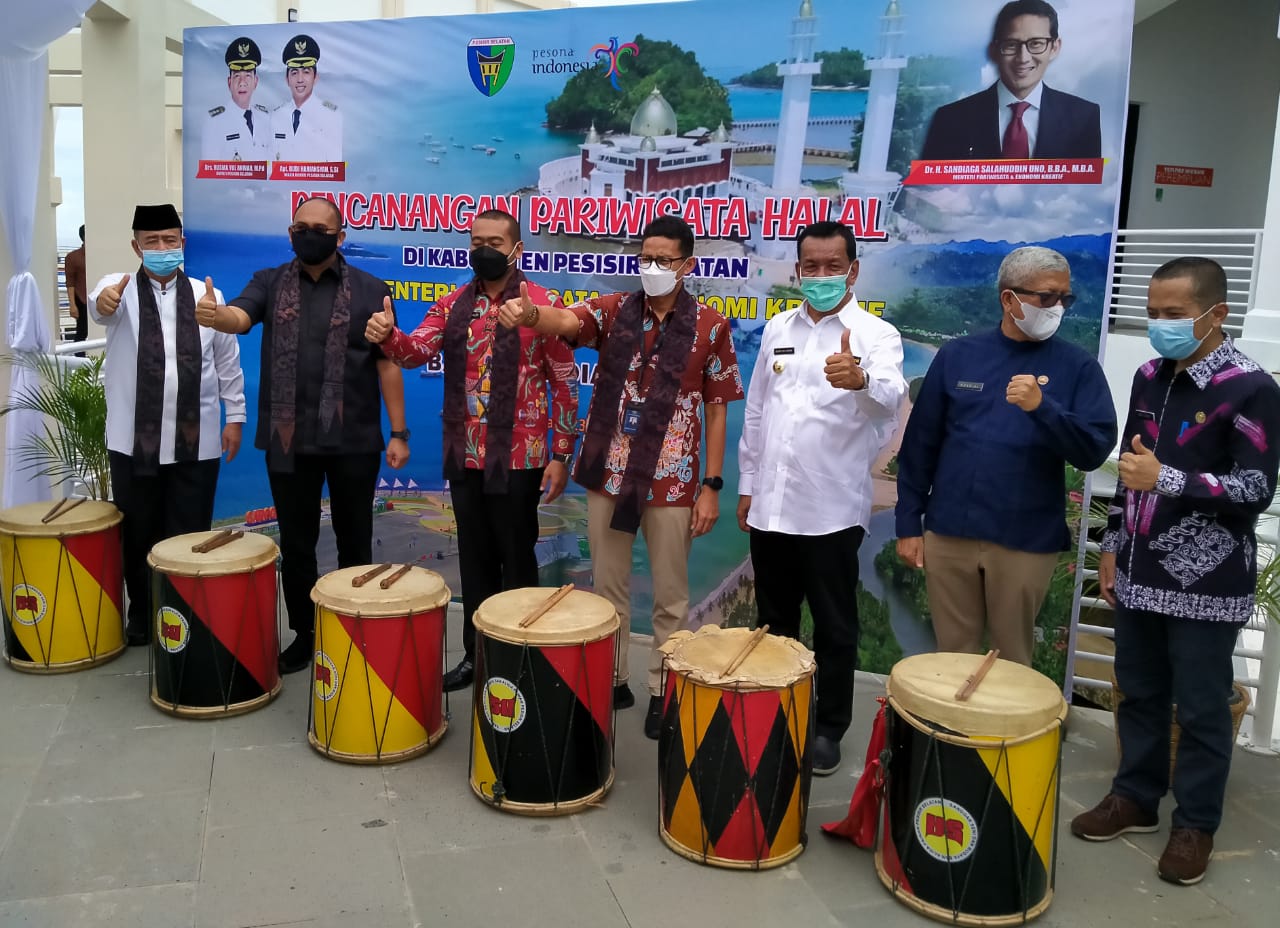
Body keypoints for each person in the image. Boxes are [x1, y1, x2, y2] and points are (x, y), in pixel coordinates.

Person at [1071, 257, 1280, 886]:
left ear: (1216, 314)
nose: (1160, 325)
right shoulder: (1147, 375)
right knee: (1138, 690)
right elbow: (1130, 468)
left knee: (1202, 708)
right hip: (1138, 570)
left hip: (1206, 583)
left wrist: (1170, 478)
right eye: (1152, 313)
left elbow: (1255, 488)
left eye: (1174, 314)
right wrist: (1111, 544)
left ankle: (1195, 825)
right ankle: (1134, 797)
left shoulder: (1251, 388)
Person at [497, 215, 743, 738]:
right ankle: (613, 678)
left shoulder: (711, 326)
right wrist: (532, 314)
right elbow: (567, 322)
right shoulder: (614, 311)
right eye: (645, 257)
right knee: (607, 587)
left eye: (663, 260)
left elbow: (717, 410)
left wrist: (712, 486)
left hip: (671, 481)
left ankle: (663, 688)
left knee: (671, 595)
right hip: (607, 473)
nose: (651, 267)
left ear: (687, 265)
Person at [364, 209, 579, 692]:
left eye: (494, 242)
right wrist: (389, 336)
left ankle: (519, 657)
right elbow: (416, 351)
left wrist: (561, 454)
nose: (484, 249)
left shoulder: (543, 304)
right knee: (475, 559)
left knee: (516, 558)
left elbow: (565, 384)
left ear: (516, 249)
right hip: (465, 454)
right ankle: (475, 656)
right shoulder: (451, 305)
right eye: (476, 241)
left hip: (521, 458)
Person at [195, 196, 408, 674]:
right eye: (301, 227)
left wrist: (399, 432)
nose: (309, 234)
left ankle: (354, 630)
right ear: (291, 232)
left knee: (356, 540)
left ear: (340, 236)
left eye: (320, 229)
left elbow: (388, 364)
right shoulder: (270, 282)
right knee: (296, 544)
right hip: (288, 438)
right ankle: (305, 634)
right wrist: (216, 316)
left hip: (354, 440)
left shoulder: (372, 289)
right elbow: (240, 317)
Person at [737, 221, 906, 775]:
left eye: (834, 266)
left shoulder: (876, 335)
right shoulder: (777, 328)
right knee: (773, 618)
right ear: (797, 270)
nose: (822, 275)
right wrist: (747, 485)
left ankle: (829, 727)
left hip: (831, 509)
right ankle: (776, 708)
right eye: (811, 266)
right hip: (772, 506)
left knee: (835, 626)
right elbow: (757, 412)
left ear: (853, 271)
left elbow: (891, 400)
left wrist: (861, 380)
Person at [894, 246, 1116, 665]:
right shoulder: (958, 355)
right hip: (950, 532)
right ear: (1009, 299)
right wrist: (908, 522)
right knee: (953, 655)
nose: (1058, 307)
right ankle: (953, 711)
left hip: (1025, 541)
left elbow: (1093, 450)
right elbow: (921, 444)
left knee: (1012, 660)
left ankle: (1012, 713)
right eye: (1046, 297)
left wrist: (1044, 408)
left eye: (1065, 298)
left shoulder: (1078, 366)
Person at [88, 204, 246, 646]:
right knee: (138, 529)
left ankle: (184, 612)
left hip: (198, 441)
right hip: (133, 441)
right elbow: (100, 306)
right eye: (152, 241)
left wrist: (235, 417)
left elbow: (227, 363)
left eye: (169, 240)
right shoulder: (118, 291)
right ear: (136, 246)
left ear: (182, 243)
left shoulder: (206, 295)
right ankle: (142, 613)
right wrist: (103, 301)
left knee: (189, 529)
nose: (162, 248)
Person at [920, 0, 1101, 160]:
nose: (1023, 58)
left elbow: (1089, 185)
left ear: (1054, 48)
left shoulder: (1084, 117)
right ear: (994, 50)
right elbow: (929, 185)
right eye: (1011, 45)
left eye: (1036, 44)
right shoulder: (950, 120)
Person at [271, 34, 343, 164]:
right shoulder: (276, 116)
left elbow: (334, 168)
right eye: (294, 72)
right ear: (287, 79)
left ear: (315, 78)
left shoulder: (331, 116)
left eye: (306, 72)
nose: (300, 79)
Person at [203, 37, 271, 162]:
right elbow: (209, 169)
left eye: (248, 75)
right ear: (229, 82)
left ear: (255, 82)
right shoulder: (215, 122)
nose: (242, 82)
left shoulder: (266, 118)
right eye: (237, 76)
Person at [64, 225, 87, 345]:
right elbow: (70, 282)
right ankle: (79, 356)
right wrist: (72, 305)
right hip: (81, 300)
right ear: (83, 236)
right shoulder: (72, 257)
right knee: (82, 332)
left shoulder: (97, 255)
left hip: (97, 297)